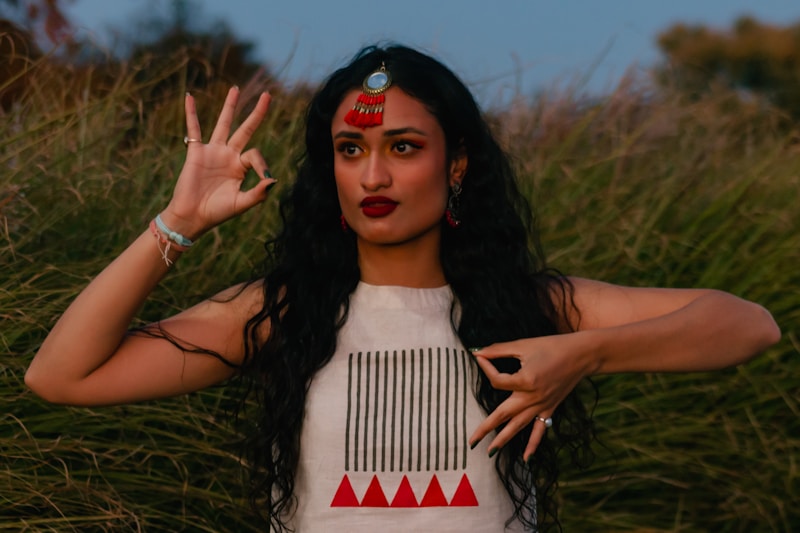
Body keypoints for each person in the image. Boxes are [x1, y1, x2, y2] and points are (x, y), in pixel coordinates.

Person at [25, 44, 780, 532]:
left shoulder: (536, 308)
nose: (375, 175)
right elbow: (61, 376)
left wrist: (584, 353)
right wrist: (177, 221)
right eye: (351, 149)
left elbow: (747, 324)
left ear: (456, 167)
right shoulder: (279, 312)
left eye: (404, 147)